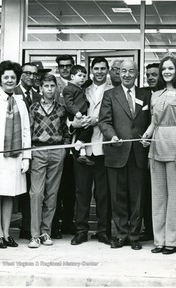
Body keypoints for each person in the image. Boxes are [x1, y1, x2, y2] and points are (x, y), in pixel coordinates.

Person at [140, 55, 176, 255]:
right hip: (157, 146)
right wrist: (146, 136)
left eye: (170, 68)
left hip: (175, 143)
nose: (166, 72)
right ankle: (159, 240)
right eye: (164, 68)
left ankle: (172, 240)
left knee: (174, 197)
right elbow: (154, 122)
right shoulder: (155, 95)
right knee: (158, 196)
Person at [98, 59, 151, 250]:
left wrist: (148, 137)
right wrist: (111, 136)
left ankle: (135, 235)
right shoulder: (109, 95)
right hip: (116, 151)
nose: (127, 75)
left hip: (139, 153)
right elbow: (104, 121)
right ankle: (121, 234)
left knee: (137, 197)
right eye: (123, 71)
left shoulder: (146, 95)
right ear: (118, 73)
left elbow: (152, 120)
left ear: (137, 73)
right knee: (117, 196)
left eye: (131, 71)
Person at [0, 60, 31, 248]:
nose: (10, 80)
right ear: (0, 80)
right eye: (6, 77)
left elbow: (27, 130)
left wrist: (26, 157)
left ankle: (6, 232)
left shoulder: (20, 102)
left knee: (10, 194)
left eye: (13, 77)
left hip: (15, 156)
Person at [70, 56, 113, 246]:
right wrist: (73, 123)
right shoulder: (81, 89)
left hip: (103, 147)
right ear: (91, 70)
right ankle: (81, 230)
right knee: (82, 192)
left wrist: (95, 120)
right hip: (82, 148)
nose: (100, 71)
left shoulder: (114, 90)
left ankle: (103, 231)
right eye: (96, 68)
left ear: (107, 70)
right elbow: (68, 114)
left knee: (103, 193)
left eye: (103, 68)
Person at [28, 74, 70, 248]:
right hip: (38, 150)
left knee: (52, 194)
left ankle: (46, 233)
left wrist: (64, 150)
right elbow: (28, 130)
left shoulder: (62, 109)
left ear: (56, 88)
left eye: (52, 86)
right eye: (46, 86)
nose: (50, 89)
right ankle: (34, 235)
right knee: (37, 193)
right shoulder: (34, 107)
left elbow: (67, 131)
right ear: (41, 89)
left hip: (56, 151)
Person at [14, 62, 41, 241]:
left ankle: (27, 227)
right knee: (13, 188)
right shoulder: (12, 92)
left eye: (34, 74)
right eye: (28, 73)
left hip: (35, 148)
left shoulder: (38, 96)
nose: (31, 77)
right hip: (16, 146)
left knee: (32, 188)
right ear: (21, 74)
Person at [51, 54, 76, 239]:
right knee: (55, 188)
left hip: (76, 143)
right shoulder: (54, 85)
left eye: (68, 66)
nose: (65, 69)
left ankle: (68, 222)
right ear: (58, 67)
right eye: (62, 66)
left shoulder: (79, 83)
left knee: (70, 187)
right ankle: (55, 224)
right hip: (57, 142)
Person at [140, 62, 160, 242]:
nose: (151, 77)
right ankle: (148, 229)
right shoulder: (143, 94)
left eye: (154, 74)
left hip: (163, 149)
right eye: (148, 75)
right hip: (144, 151)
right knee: (146, 192)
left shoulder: (171, 93)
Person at [63, 65, 94, 166]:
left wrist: (90, 79)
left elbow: (88, 82)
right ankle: (77, 147)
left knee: (84, 131)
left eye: (84, 76)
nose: (82, 78)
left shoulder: (80, 87)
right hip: (75, 115)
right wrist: (77, 112)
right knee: (87, 130)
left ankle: (82, 154)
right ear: (72, 77)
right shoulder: (68, 89)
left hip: (82, 113)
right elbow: (69, 103)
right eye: (79, 75)